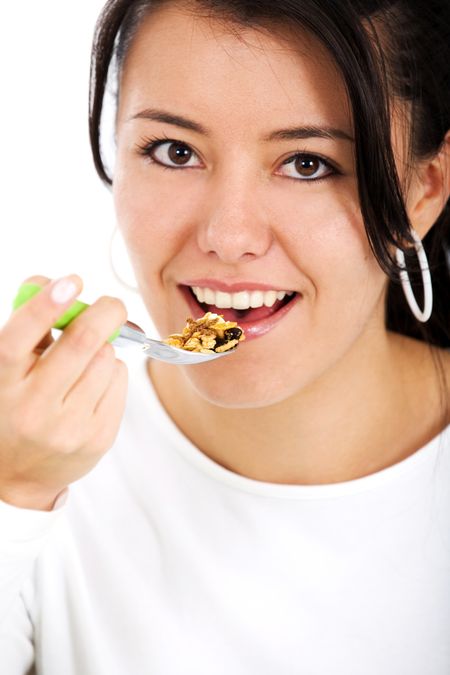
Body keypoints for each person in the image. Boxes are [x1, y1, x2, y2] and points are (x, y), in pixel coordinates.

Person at [1, 0, 449, 672]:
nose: (227, 236)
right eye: (175, 151)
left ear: (424, 190)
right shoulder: (39, 459)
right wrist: (14, 495)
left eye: (307, 163)